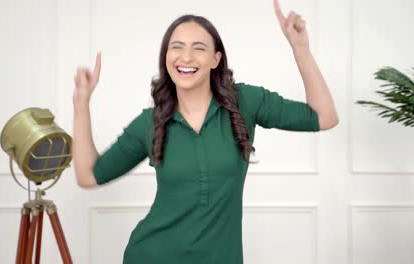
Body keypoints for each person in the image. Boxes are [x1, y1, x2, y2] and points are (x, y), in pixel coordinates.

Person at [72, 0, 338, 263]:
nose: (186, 57)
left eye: (198, 48)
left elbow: (324, 117)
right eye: (177, 47)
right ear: (166, 57)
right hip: (152, 255)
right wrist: (81, 102)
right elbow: (88, 175)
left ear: (215, 59)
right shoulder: (151, 122)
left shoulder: (246, 101)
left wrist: (300, 48)